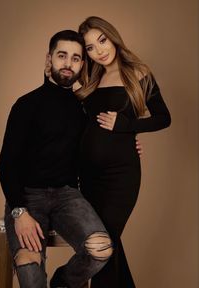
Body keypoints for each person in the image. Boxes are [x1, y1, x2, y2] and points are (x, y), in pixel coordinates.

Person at [0, 30, 114, 288]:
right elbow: (5, 164)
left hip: (67, 196)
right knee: (29, 272)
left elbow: (101, 144)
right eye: (62, 56)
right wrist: (20, 212)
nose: (68, 64)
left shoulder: (84, 109)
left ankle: (61, 283)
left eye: (75, 58)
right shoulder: (26, 104)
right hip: (28, 197)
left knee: (101, 250)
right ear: (49, 59)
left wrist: (130, 143)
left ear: (82, 64)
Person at [75, 16, 171, 288]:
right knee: (105, 245)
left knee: (103, 242)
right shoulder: (91, 79)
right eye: (90, 48)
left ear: (112, 36)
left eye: (102, 41)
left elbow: (164, 118)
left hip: (121, 175)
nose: (99, 50)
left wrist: (127, 125)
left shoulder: (138, 73)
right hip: (88, 176)